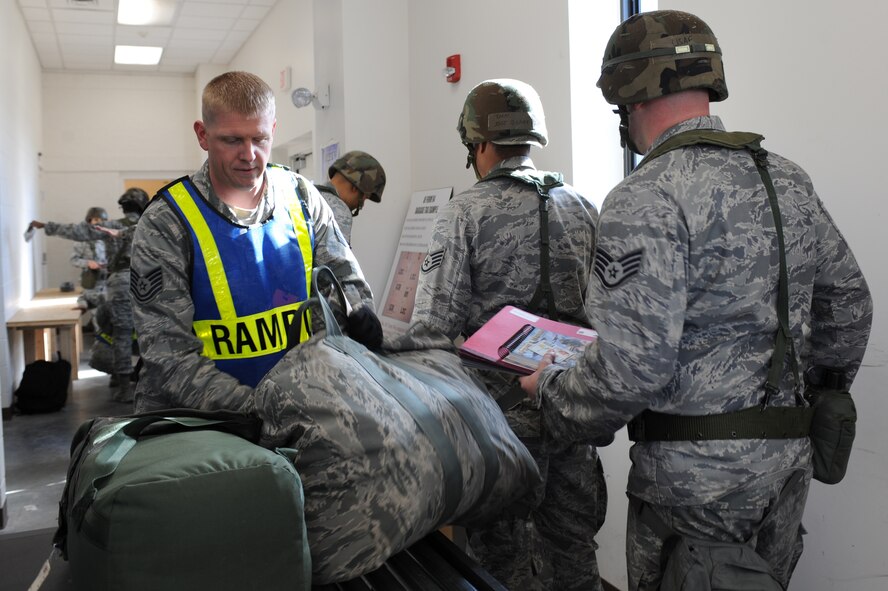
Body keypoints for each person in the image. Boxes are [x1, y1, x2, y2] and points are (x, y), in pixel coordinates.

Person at [519, 10, 873, 590]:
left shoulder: (645, 195)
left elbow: (630, 369)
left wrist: (553, 396)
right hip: (786, 473)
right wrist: (816, 394)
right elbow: (850, 305)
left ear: (629, 98)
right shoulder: (787, 179)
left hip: (690, 491)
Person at [412, 78, 606, 591]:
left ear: (477, 144)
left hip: (497, 424)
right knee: (574, 551)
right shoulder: (583, 207)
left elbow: (433, 327)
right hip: (572, 410)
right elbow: (612, 317)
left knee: (500, 560)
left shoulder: (465, 212)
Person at [129, 70, 380, 414]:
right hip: (198, 421)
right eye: (232, 140)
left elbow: (346, 280)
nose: (249, 155)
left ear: (273, 130)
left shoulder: (302, 197)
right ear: (202, 135)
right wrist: (263, 410)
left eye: (259, 139)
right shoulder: (167, 222)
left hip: (300, 405)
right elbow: (168, 356)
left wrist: (358, 314)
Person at [29, 189, 147, 402]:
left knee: (120, 332)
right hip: (148, 283)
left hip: (120, 282)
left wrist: (46, 226)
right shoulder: (151, 224)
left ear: (123, 207)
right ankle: (146, 381)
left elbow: (77, 231)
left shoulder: (111, 226)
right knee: (149, 332)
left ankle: (123, 386)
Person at [316, 150, 386, 243]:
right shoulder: (337, 210)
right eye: (364, 197)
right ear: (355, 187)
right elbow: (335, 256)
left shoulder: (310, 195)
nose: (362, 204)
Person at [72, 206, 108, 290]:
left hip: (107, 282)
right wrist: (88, 263)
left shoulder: (109, 239)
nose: (99, 223)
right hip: (90, 283)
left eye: (102, 221)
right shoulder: (82, 240)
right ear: (89, 221)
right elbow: (73, 260)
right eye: (96, 220)